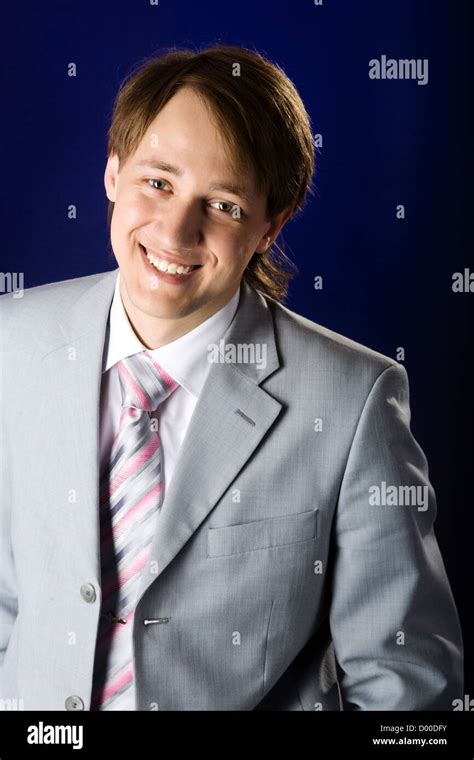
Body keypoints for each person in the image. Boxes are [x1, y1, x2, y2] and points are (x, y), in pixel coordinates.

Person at [0, 44, 463, 711]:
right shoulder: (14, 342)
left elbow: (407, 689)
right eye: (157, 182)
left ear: (271, 225)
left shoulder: (354, 400)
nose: (176, 230)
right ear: (112, 171)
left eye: (222, 205)